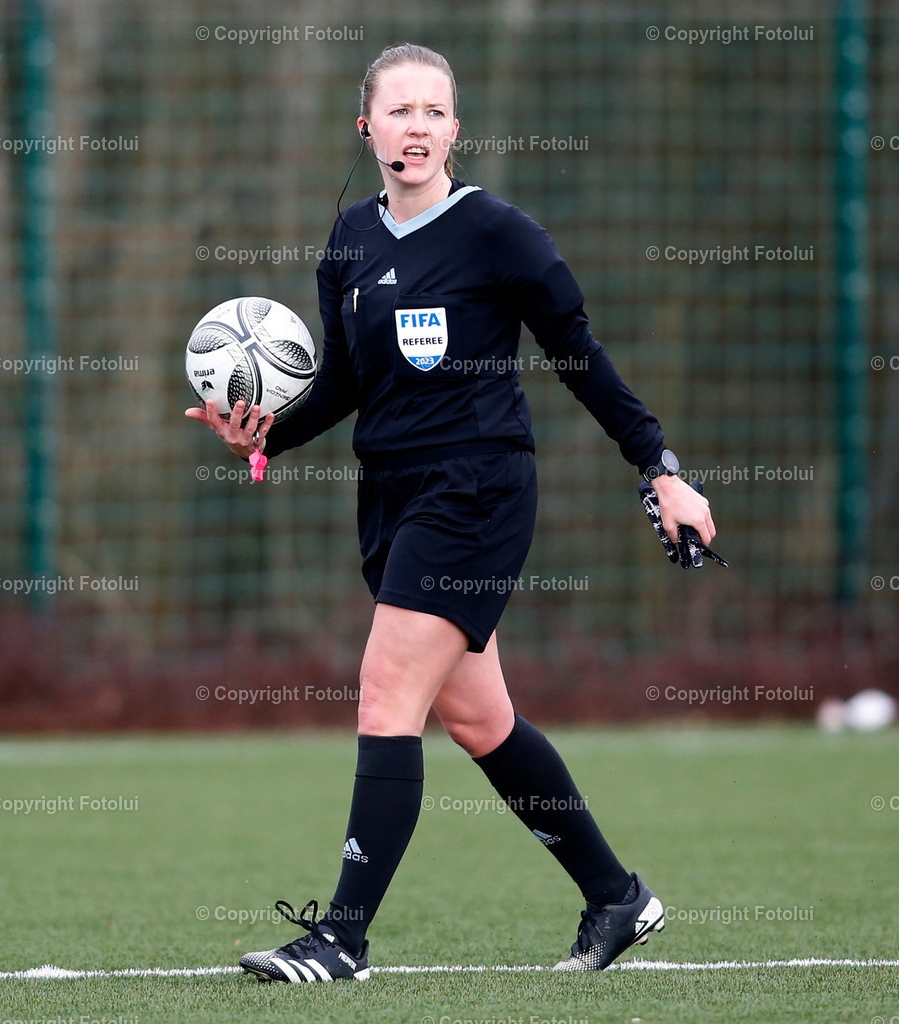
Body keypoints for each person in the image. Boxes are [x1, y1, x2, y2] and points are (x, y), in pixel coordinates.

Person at [186, 42, 716, 983]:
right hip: (391, 495)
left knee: (385, 692)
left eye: (434, 111)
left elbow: (579, 355)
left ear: (455, 129)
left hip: (475, 491)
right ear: (367, 127)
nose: (417, 127)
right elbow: (341, 383)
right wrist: (261, 442)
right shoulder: (349, 239)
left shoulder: (498, 233)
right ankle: (616, 897)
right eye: (399, 111)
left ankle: (341, 938)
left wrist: (659, 467)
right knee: (480, 721)